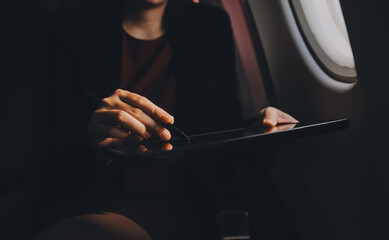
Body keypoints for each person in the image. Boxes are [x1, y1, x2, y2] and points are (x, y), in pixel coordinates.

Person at [33, 0, 298, 239]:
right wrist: (93, 142)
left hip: (191, 203)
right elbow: (53, 151)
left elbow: (223, 128)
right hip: (99, 203)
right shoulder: (70, 30)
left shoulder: (209, 26)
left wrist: (262, 128)